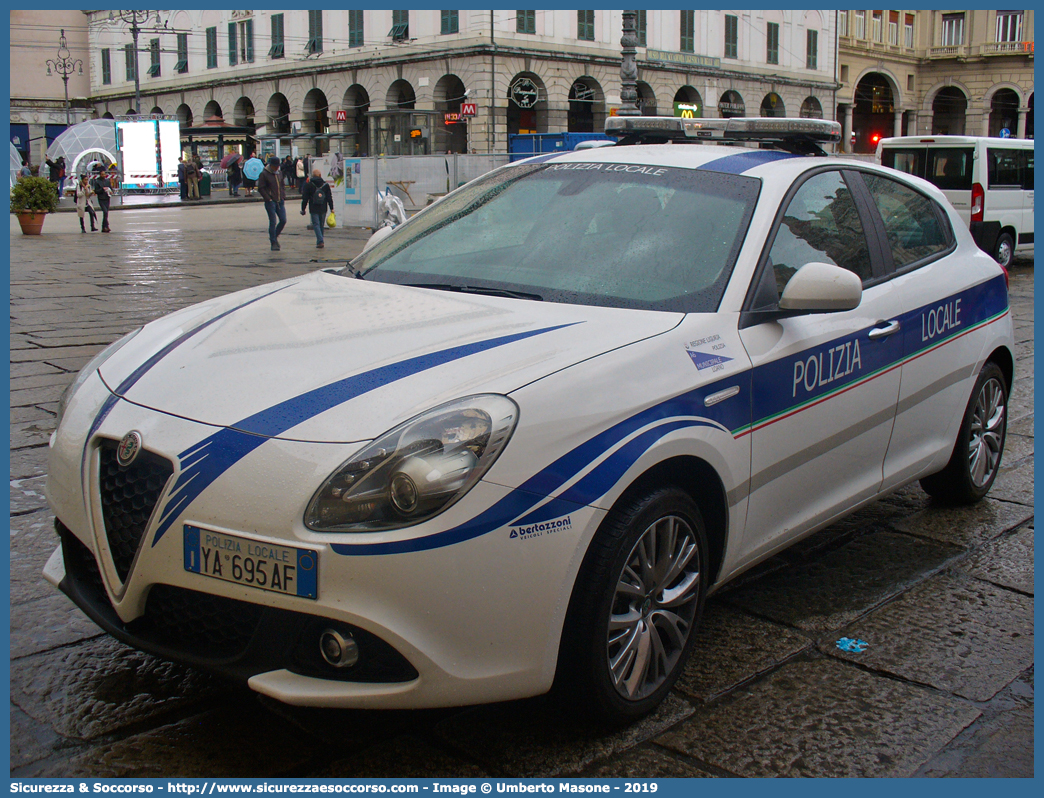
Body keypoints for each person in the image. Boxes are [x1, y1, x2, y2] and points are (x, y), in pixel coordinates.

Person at [258, 156, 286, 251]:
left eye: (278, 166)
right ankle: (273, 242)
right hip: (271, 201)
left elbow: (282, 184)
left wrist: (283, 195)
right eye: (275, 166)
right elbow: (261, 188)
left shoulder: (279, 173)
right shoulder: (264, 174)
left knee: (283, 220)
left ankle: (274, 235)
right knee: (273, 221)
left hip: (280, 200)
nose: (277, 168)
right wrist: (268, 198)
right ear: (271, 165)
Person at [300, 169, 334, 249]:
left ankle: (320, 241)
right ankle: (320, 240)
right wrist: (331, 207)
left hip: (313, 207)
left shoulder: (309, 185)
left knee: (316, 224)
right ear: (320, 175)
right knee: (321, 225)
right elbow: (329, 197)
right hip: (323, 207)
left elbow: (305, 198)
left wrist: (303, 209)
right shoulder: (325, 185)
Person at [90, 165, 112, 233]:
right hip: (101, 198)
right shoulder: (97, 181)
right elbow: (96, 191)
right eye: (102, 174)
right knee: (105, 211)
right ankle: (104, 226)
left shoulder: (107, 181)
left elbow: (111, 188)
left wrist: (110, 191)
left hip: (107, 198)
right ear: (100, 175)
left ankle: (106, 226)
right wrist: (102, 189)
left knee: (106, 213)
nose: (104, 175)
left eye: (104, 174)